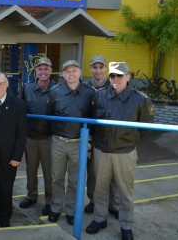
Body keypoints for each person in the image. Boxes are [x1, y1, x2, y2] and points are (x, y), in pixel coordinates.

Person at [86, 62, 153, 240]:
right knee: (99, 190)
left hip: (125, 152)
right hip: (102, 151)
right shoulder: (99, 96)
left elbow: (146, 128)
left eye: (120, 75)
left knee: (125, 192)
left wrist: (129, 142)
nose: (116, 79)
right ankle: (100, 218)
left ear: (128, 76)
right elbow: (93, 121)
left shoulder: (140, 99)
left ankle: (126, 226)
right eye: (113, 76)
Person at [47, 60, 94, 226]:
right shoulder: (55, 92)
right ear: (63, 74)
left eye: (74, 71)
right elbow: (51, 112)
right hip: (59, 141)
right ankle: (56, 207)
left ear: (80, 72)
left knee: (75, 181)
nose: (71, 74)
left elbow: (93, 116)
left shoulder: (90, 93)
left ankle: (71, 210)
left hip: (79, 143)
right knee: (57, 177)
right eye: (67, 71)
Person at [0, 70, 27, 227]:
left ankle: (4, 220)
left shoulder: (18, 105)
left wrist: (17, 156)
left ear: (7, 84)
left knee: (5, 190)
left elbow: (21, 133)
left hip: (8, 157)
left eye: (1, 83)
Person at [19, 57, 56, 216]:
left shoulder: (57, 88)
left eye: (46, 68)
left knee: (49, 172)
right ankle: (31, 195)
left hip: (48, 137)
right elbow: (20, 110)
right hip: (31, 137)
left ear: (51, 70)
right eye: (40, 69)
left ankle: (50, 200)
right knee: (31, 170)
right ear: (36, 71)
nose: (43, 72)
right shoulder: (27, 88)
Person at [84, 55, 119, 218]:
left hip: (110, 138)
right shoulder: (85, 87)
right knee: (92, 173)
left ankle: (113, 205)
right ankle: (93, 200)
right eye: (94, 67)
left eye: (101, 67)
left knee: (112, 174)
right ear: (90, 68)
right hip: (91, 137)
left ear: (106, 68)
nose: (98, 71)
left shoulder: (113, 85)